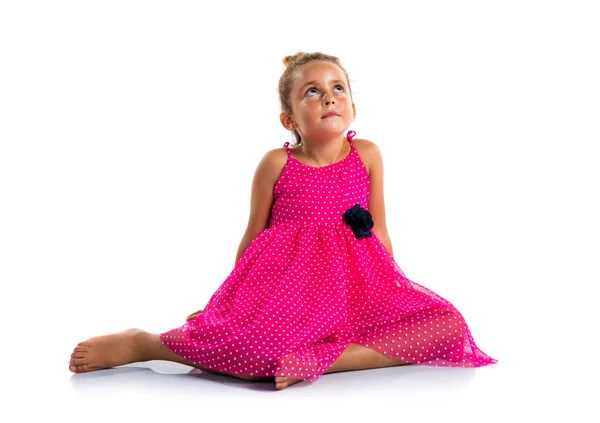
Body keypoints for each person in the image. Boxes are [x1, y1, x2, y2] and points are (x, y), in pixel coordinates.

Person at [68, 51, 497, 390]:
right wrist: (227, 306)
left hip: (353, 288)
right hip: (289, 294)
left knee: (448, 324)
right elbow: (253, 235)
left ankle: (325, 359)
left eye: (338, 88)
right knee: (257, 357)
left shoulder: (367, 154)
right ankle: (145, 344)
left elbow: (380, 230)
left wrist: (395, 289)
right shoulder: (276, 163)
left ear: (352, 105)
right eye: (312, 91)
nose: (329, 97)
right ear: (289, 119)